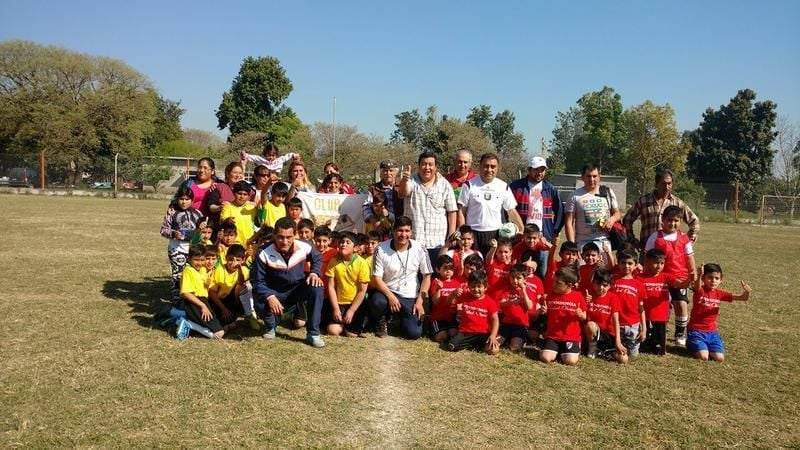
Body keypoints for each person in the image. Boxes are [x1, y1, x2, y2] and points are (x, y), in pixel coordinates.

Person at [251, 217, 326, 348]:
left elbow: (318, 257)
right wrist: (269, 296)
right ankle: (270, 326)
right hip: (275, 292)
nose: (284, 241)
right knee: (259, 298)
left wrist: (314, 272)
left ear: (295, 235)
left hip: (298, 289)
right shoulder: (263, 253)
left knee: (316, 286)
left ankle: (313, 334)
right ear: (274, 235)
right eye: (280, 237)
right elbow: (257, 281)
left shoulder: (305, 246)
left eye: (289, 237)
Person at [368, 216, 432, 339]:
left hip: (410, 295)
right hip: (388, 292)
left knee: (413, 334)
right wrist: (390, 296)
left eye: (407, 231)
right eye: (400, 230)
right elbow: (377, 279)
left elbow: (427, 277)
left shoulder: (420, 248)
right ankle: (381, 322)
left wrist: (420, 301)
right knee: (378, 301)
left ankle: (399, 320)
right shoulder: (380, 248)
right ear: (393, 231)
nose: (403, 234)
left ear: (411, 232)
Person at [644, 205, 698, 347]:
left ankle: (680, 333)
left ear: (680, 221)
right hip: (660, 278)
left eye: (676, 220)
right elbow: (646, 257)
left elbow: (689, 257)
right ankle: (660, 328)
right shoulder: (655, 237)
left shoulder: (684, 238)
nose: (672, 223)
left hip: (679, 277)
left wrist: (693, 274)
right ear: (663, 220)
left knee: (681, 304)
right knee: (662, 305)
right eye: (669, 220)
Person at [397, 151, 458, 265]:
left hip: (438, 243)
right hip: (414, 242)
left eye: (430, 164)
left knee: (436, 278)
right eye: (424, 164)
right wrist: (404, 181)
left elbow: (452, 212)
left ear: (436, 167)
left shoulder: (444, 185)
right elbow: (402, 193)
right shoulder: (411, 181)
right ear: (419, 166)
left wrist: (451, 236)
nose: (427, 167)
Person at [457, 152, 524, 256]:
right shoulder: (469, 185)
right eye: (486, 166)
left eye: (493, 167)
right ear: (480, 166)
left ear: (497, 168)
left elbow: (511, 210)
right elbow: (461, 211)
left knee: (492, 268)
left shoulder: (503, 186)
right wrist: (463, 233)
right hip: (474, 234)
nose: (489, 170)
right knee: (473, 269)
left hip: (496, 234)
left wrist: (521, 228)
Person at [510, 156, 564, 278]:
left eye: (542, 170)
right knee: (519, 270)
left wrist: (555, 231)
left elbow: (560, 211)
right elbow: (505, 208)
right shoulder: (516, 187)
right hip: (522, 237)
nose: (539, 173)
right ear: (529, 170)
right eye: (536, 169)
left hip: (543, 237)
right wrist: (511, 229)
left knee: (543, 271)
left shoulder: (550, 189)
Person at [622, 169, 700, 251]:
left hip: (671, 252)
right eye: (663, 183)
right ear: (656, 184)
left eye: (669, 183)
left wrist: (688, 242)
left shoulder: (677, 203)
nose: (666, 187)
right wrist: (633, 241)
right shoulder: (644, 201)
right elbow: (627, 220)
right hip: (648, 251)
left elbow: (695, 221)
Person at [687, 263, 752, 362]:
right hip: (696, 331)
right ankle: (691, 343)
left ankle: (708, 345)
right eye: (710, 277)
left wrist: (747, 292)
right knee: (703, 357)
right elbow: (697, 286)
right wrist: (699, 275)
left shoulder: (719, 294)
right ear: (704, 279)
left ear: (720, 280)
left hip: (712, 333)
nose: (713, 281)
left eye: (717, 278)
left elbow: (743, 298)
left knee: (719, 358)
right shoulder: (700, 291)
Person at [564, 164, 621, 264]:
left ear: (599, 177)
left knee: (604, 276)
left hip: (604, 243)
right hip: (583, 243)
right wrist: (573, 248)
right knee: (583, 276)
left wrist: (611, 220)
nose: (592, 179)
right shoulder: (574, 196)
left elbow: (617, 213)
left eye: (594, 176)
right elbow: (569, 223)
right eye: (588, 176)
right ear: (582, 177)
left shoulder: (607, 192)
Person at [638, 248, 690, 355]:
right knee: (643, 347)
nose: (659, 266)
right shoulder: (639, 278)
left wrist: (690, 278)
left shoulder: (666, 277)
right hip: (644, 316)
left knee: (659, 350)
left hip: (660, 316)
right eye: (656, 263)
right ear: (647, 262)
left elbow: (682, 285)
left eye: (662, 263)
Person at [160, 184, 204, 305]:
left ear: (192, 200)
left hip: (193, 249)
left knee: (194, 272)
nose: (184, 202)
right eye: (181, 199)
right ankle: (177, 300)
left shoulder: (198, 213)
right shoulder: (172, 213)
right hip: (176, 248)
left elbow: (202, 232)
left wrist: (201, 229)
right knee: (178, 274)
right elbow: (163, 230)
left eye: (187, 199)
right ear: (177, 199)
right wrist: (174, 234)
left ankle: (193, 298)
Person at [324, 231, 370, 337]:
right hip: (339, 303)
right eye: (341, 242)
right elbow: (331, 287)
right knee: (333, 331)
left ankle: (364, 320)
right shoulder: (334, 261)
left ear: (356, 248)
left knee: (351, 335)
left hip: (355, 303)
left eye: (347, 242)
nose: (343, 244)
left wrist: (351, 311)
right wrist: (335, 308)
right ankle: (342, 322)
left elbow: (362, 291)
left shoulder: (362, 263)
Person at [539, 265, 587, 365]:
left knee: (570, 361)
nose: (554, 284)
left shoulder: (578, 296)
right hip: (552, 336)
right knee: (545, 358)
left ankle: (568, 350)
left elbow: (584, 317)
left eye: (558, 283)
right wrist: (544, 311)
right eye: (554, 281)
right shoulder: (551, 295)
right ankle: (557, 350)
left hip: (570, 336)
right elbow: (548, 312)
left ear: (569, 285)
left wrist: (580, 314)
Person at [444, 270, 500, 355]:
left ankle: (473, 345)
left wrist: (493, 335)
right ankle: (473, 345)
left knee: (494, 350)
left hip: (483, 333)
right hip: (465, 332)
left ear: (485, 287)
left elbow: (495, 319)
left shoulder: (490, 302)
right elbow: (448, 302)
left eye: (479, 286)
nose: (476, 289)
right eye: (473, 286)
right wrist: (453, 294)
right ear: (469, 286)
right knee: (451, 346)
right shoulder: (465, 296)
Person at [180, 244, 225, 339]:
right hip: (195, 302)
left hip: (204, 301)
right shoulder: (188, 271)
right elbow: (186, 293)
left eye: (202, 260)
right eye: (196, 260)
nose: (200, 263)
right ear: (189, 259)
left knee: (223, 324)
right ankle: (189, 324)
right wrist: (202, 305)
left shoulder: (202, 270)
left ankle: (180, 318)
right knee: (219, 333)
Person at [583, 268, 627, 363]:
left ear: (610, 286)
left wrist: (618, 342)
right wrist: (584, 303)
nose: (601, 287)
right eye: (598, 284)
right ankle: (592, 349)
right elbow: (582, 316)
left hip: (609, 334)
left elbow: (616, 321)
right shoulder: (588, 295)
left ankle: (605, 351)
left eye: (605, 285)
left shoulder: (613, 298)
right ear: (593, 283)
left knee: (623, 359)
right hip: (593, 331)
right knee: (590, 324)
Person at [611, 249, 647, 359]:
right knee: (619, 352)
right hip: (615, 324)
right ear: (618, 263)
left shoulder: (639, 284)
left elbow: (641, 308)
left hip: (633, 325)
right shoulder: (612, 281)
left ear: (636, 265)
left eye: (630, 263)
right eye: (623, 263)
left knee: (633, 355)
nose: (626, 266)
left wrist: (644, 329)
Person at [494, 264, 537, 352]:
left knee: (514, 348)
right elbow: (501, 304)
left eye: (518, 278)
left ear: (524, 279)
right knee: (494, 346)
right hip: (506, 323)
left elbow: (530, 306)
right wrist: (511, 302)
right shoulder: (506, 289)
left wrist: (524, 291)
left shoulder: (528, 291)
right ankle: (507, 339)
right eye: (512, 277)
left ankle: (521, 339)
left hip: (521, 325)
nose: (515, 280)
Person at [208, 243, 248, 327]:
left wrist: (240, 269)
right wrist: (223, 309)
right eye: (231, 259)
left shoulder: (243, 270)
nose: (233, 262)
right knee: (217, 320)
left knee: (244, 287)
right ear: (226, 258)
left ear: (243, 260)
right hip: (218, 300)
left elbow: (241, 283)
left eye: (237, 260)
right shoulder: (219, 269)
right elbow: (212, 292)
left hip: (232, 299)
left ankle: (247, 314)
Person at [429, 255, 461, 344]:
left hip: (452, 317)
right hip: (439, 318)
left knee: (453, 335)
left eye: (451, 268)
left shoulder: (457, 283)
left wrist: (459, 306)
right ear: (438, 270)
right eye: (445, 268)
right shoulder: (436, 282)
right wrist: (438, 289)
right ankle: (434, 329)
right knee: (442, 337)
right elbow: (435, 302)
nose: (448, 271)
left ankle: (449, 331)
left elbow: (459, 302)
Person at [206, 161, 246, 229]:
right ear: (227, 173)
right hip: (222, 228)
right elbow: (211, 207)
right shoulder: (219, 187)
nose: (238, 175)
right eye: (235, 172)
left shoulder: (247, 189)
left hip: (242, 228)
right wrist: (220, 207)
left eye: (240, 173)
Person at [363, 160, 403, 228]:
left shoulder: (402, 187)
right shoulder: (373, 188)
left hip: (398, 225)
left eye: (391, 170)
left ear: (396, 172)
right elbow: (366, 207)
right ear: (381, 173)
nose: (388, 173)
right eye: (385, 171)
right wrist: (373, 220)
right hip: (378, 226)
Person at [220, 180, 258, 245]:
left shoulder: (252, 207)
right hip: (233, 244)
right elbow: (223, 220)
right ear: (234, 193)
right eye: (239, 193)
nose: (242, 197)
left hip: (249, 243)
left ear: (249, 195)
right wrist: (228, 220)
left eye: (245, 194)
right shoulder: (227, 206)